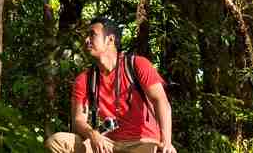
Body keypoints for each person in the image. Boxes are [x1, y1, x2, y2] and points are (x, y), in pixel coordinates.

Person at [45, 17, 176, 153]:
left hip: (142, 143)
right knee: (57, 142)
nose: (86, 40)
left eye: (92, 34)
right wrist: (93, 134)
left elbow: (161, 101)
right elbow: (78, 119)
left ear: (110, 39)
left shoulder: (137, 65)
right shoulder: (84, 79)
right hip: (106, 144)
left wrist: (166, 142)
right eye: (86, 35)